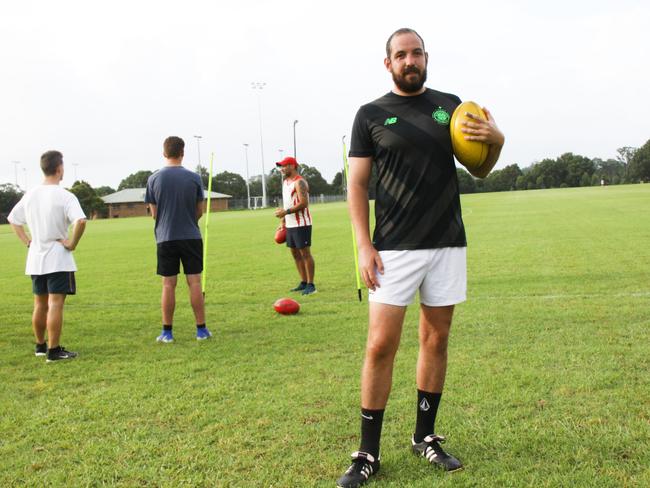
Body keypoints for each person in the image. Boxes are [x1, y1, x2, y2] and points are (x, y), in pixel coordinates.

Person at [337, 28, 505, 487]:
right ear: (388, 63)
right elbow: (356, 186)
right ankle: (367, 452)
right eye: (401, 54)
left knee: (436, 339)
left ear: (425, 58)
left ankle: (424, 437)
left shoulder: (451, 107)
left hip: (447, 241)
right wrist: (363, 245)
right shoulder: (369, 115)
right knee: (379, 345)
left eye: (416, 53)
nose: (410, 60)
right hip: (392, 247)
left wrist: (498, 138)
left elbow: (481, 167)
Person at [8, 150, 87, 362]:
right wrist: (72, 243)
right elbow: (80, 221)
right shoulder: (65, 196)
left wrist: (27, 242)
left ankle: (41, 346)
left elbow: (13, 219)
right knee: (55, 304)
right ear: (59, 169)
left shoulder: (31, 194)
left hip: (36, 258)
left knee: (39, 304)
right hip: (58, 258)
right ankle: (54, 351)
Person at [145, 136, 212, 343]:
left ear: (164, 153)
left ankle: (167, 332)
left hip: (165, 238)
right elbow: (199, 211)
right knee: (194, 282)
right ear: (182, 153)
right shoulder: (194, 178)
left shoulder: (154, 179)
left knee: (168, 285)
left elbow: (154, 213)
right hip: (191, 236)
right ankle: (201, 330)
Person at [274, 156, 316, 295]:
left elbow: (304, 203)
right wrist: (283, 221)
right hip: (290, 224)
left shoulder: (300, 182)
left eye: (284, 166)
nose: (281, 169)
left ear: (292, 166)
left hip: (302, 223)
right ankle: (303, 282)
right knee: (295, 254)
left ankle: (311, 285)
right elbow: (288, 203)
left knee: (305, 254)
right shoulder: (285, 182)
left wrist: (285, 212)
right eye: (280, 166)